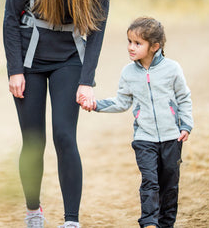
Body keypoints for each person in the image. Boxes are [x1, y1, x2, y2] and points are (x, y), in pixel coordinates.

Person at [3, 0, 111, 228]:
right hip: (30, 58)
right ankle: (34, 211)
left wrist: (86, 80)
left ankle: (71, 221)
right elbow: (11, 17)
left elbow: (98, 28)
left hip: (69, 57)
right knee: (33, 139)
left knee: (65, 136)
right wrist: (14, 70)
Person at [82, 16, 193, 228]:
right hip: (144, 139)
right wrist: (96, 105)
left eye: (137, 43)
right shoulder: (128, 73)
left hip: (172, 138)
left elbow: (184, 97)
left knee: (169, 186)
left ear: (155, 46)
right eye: (129, 42)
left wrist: (186, 125)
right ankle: (149, 223)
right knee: (150, 182)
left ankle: (165, 224)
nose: (130, 47)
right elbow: (122, 102)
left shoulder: (172, 69)